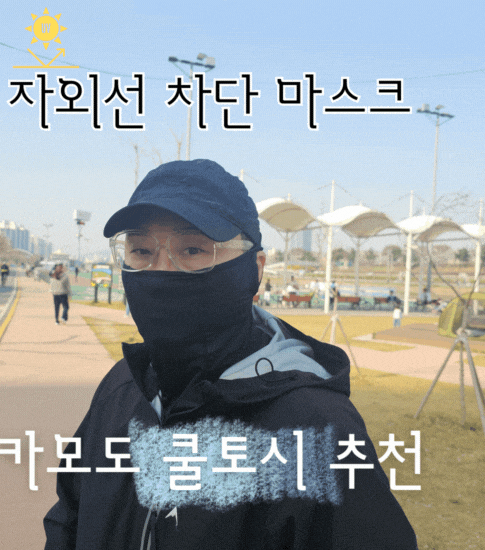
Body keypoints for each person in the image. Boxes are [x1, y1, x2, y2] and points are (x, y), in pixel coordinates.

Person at [44, 160, 418, 549]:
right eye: (141, 250)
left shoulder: (319, 432)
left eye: (193, 249)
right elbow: (69, 515)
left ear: (254, 269)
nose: (161, 270)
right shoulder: (122, 385)